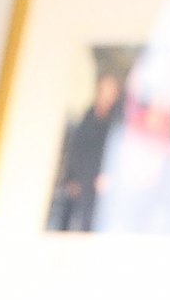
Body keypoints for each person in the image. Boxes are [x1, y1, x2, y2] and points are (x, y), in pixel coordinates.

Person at [48, 68, 125, 232]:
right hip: (80, 184)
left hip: (101, 188)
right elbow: (76, 148)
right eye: (104, 89)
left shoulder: (117, 122)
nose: (106, 94)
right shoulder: (88, 116)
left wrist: (109, 176)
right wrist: (71, 178)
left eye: (111, 90)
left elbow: (118, 154)